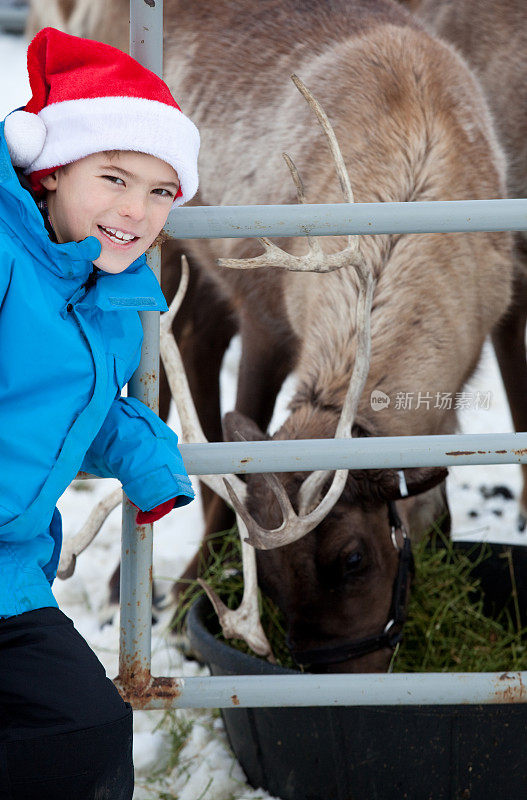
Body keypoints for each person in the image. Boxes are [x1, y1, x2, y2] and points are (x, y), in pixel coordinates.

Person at [0, 27, 200, 799]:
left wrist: (145, 453)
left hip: (13, 571)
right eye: (113, 178)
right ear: (49, 174)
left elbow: (74, 403)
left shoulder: (112, 301)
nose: (135, 210)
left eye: (159, 191)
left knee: (83, 727)